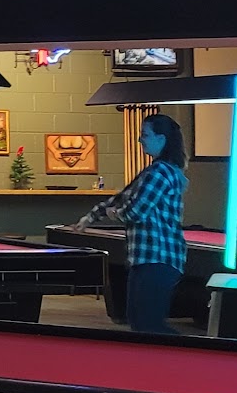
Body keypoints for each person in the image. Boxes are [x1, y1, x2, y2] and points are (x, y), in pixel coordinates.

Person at [73, 113, 188, 334]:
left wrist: (114, 214)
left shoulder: (160, 173)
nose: (140, 139)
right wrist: (92, 216)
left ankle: (192, 352)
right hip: (146, 258)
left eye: (145, 135)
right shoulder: (153, 170)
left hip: (159, 257)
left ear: (161, 139)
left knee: (148, 325)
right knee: (139, 322)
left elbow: (136, 212)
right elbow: (122, 197)